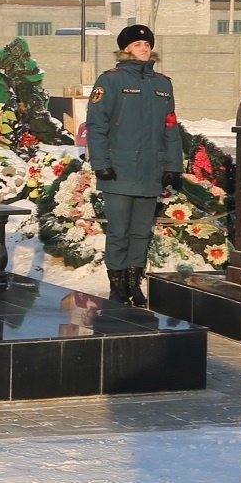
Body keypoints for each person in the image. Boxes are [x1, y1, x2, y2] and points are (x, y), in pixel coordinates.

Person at [84, 23, 183, 309]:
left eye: (148, 43)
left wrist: (174, 165)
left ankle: (133, 283)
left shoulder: (163, 84)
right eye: (138, 43)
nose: (144, 47)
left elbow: (170, 127)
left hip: (150, 171)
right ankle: (116, 287)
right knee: (118, 232)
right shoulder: (111, 80)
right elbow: (97, 125)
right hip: (118, 171)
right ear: (125, 48)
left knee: (141, 232)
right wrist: (101, 163)